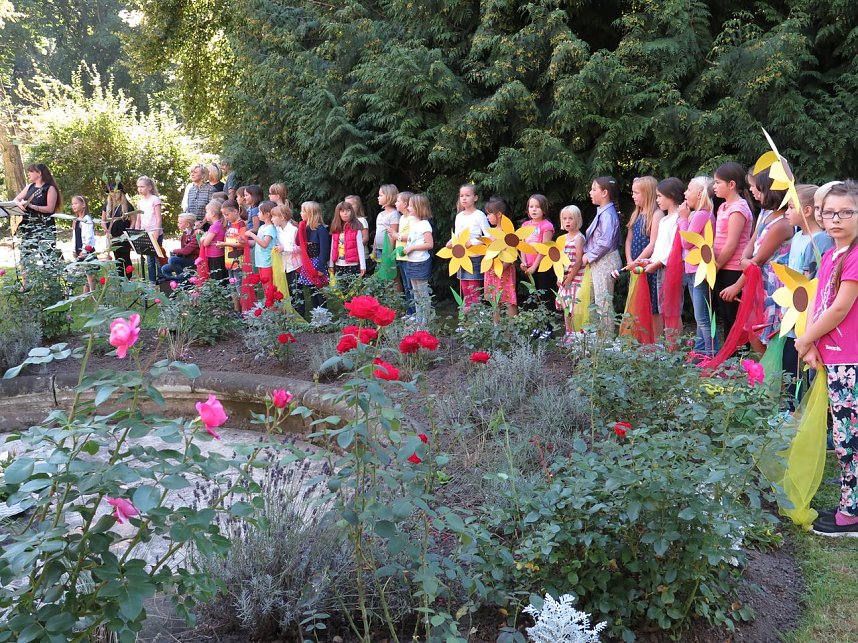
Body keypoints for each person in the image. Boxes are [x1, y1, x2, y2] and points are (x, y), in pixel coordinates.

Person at [794, 180, 858, 537]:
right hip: (832, 356)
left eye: (846, 212)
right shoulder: (832, 254)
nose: (836, 219)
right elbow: (818, 302)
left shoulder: (855, 255)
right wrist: (811, 344)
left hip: (852, 359)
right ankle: (851, 499)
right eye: (829, 212)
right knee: (844, 435)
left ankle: (852, 513)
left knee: (850, 437)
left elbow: (839, 309)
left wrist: (805, 339)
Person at [720, 166, 793, 346]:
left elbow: (758, 260)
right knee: (752, 328)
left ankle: (772, 370)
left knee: (767, 331)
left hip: (772, 284)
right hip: (757, 278)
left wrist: (736, 286)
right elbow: (751, 243)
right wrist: (745, 259)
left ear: (769, 189)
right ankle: (763, 370)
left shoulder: (782, 224)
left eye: (755, 186)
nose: (751, 190)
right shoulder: (765, 213)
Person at [712, 162, 754, 339]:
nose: (713, 187)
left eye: (717, 183)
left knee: (734, 316)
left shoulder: (738, 208)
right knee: (725, 315)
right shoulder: (723, 206)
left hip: (733, 269)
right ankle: (729, 359)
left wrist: (716, 265)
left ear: (731, 185)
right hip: (722, 266)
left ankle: (738, 360)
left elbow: (732, 244)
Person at [678, 176, 717, 357]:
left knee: (703, 318)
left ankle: (710, 356)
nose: (685, 193)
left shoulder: (701, 214)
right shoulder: (702, 214)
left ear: (699, 194)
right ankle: (701, 354)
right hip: (696, 270)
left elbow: (686, 241)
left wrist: (682, 219)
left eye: (688, 189)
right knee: (700, 317)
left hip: (699, 271)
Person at [643, 177, 685, 341]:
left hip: (671, 269)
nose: (657, 200)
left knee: (672, 309)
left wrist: (659, 263)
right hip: (660, 267)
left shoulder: (678, 219)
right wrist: (651, 260)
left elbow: (675, 247)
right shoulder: (665, 219)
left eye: (660, 196)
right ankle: (669, 347)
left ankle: (674, 350)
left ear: (672, 196)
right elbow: (661, 246)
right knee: (663, 308)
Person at [583, 176, 622, 334]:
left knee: (603, 301)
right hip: (599, 260)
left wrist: (588, 256)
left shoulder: (608, 215)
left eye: (594, 189)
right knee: (594, 299)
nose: (590, 192)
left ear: (604, 193)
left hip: (605, 260)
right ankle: (597, 335)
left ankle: (605, 341)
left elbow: (605, 242)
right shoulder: (603, 212)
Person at [624, 176, 662, 324]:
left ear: (647, 193)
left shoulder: (656, 215)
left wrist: (637, 262)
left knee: (651, 304)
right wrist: (629, 261)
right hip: (635, 266)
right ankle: (638, 338)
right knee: (635, 301)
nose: (633, 196)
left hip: (647, 267)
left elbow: (652, 244)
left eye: (636, 193)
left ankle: (655, 341)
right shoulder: (636, 214)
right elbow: (628, 240)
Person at [448, 183, 490, 308]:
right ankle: (468, 321)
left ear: (475, 198)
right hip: (460, 257)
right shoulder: (459, 216)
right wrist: (452, 242)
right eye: (461, 196)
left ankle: (477, 320)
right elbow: (457, 234)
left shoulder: (479, 215)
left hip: (474, 257)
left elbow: (488, 236)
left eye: (467, 195)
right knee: (465, 289)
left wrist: (472, 242)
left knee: (474, 290)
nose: (464, 198)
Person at [13, 163, 62, 259]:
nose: (28, 174)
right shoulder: (30, 186)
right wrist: (20, 204)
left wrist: (31, 205)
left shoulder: (50, 188)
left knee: (47, 257)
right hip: (28, 226)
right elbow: (16, 200)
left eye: (31, 171)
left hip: (45, 226)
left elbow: (50, 208)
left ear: (39, 173)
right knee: (26, 257)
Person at [519, 194, 555, 321]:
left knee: (544, 297)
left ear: (544, 210)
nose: (534, 209)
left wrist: (535, 266)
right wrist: (523, 262)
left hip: (542, 268)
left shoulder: (546, 226)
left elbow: (544, 249)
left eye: (537, 207)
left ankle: (547, 327)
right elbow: (522, 245)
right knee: (532, 296)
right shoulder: (525, 225)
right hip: (529, 268)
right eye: (531, 206)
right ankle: (536, 325)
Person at [483, 197, 517, 320]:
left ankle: (513, 329)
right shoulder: (491, 232)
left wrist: (501, 268)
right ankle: (496, 326)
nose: (487, 217)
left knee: (509, 299)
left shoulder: (508, 232)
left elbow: (512, 255)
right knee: (494, 299)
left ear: (498, 214)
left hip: (504, 270)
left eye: (489, 214)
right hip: (492, 270)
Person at [402, 194, 434, 326]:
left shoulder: (424, 224)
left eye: (410, 205)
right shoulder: (413, 222)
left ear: (418, 207)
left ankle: (426, 321)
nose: (408, 207)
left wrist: (412, 248)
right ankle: (419, 318)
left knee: (422, 292)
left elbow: (429, 244)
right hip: (412, 261)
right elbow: (411, 239)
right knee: (415, 292)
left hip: (421, 262)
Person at [296, 200, 330, 315]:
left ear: (310, 213)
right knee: (311, 291)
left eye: (303, 211)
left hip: (317, 263)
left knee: (320, 292)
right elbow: (298, 242)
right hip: (309, 263)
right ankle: (316, 316)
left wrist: (321, 268)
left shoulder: (321, 229)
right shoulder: (305, 229)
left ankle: (324, 317)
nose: (300, 213)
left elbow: (324, 250)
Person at [555, 205, 585, 339]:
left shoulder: (579, 238)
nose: (567, 221)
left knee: (574, 307)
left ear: (577, 219)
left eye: (571, 218)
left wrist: (570, 277)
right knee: (566, 306)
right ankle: (568, 333)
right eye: (564, 218)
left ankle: (575, 334)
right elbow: (558, 260)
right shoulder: (562, 238)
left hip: (576, 277)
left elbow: (579, 261)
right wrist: (559, 276)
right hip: (564, 277)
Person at [217, 199, 248, 311]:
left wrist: (224, 244)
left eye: (227, 214)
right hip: (229, 262)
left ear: (235, 211)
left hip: (238, 261)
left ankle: (245, 311)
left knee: (240, 287)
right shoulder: (230, 225)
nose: (225, 217)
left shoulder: (241, 224)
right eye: (224, 215)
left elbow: (242, 243)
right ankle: (236, 310)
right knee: (232, 288)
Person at [101, 181, 135, 278]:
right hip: (113, 236)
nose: (114, 194)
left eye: (116, 192)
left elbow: (133, 220)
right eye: (112, 192)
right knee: (117, 258)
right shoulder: (107, 205)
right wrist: (106, 231)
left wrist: (129, 231)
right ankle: (120, 279)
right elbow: (103, 221)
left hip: (124, 236)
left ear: (121, 192)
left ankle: (129, 279)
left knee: (126, 257)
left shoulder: (127, 205)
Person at [271, 203, 302, 310]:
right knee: (288, 290)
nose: (272, 219)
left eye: (274, 216)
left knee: (296, 292)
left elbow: (300, 248)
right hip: (284, 265)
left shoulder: (293, 230)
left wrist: (284, 248)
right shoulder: (278, 229)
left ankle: (300, 313)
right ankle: (290, 315)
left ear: (282, 217)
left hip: (294, 266)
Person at [134, 176, 163, 285]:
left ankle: (162, 277)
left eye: (142, 186)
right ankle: (151, 280)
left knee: (158, 257)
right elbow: (138, 219)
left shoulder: (155, 199)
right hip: (145, 234)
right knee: (149, 259)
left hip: (155, 233)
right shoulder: (140, 202)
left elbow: (158, 218)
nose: (140, 189)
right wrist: (136, 234)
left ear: (149, 187)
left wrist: (156, 232)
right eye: (138, 187)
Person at [329, 201, 366, 276]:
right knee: (340, 287)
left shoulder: (355, 228)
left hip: (352, 265)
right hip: (338, 265)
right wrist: (331, 264)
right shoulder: (336, 229)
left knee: (353, 287)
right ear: (338, 213)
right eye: (342, 211)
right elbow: (333, 247)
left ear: (351, 211)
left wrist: (363, 266)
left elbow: (360, 247)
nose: (345, 213)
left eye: (348, 210)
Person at [246, 200, 277, 287]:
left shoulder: (270, 228)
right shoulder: (262, 227)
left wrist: (251, 234)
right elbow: (258, 242)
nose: (258, 214)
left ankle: (271, 300)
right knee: (265, 286)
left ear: (267, 214)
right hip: (261, 261)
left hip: (267, 262)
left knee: (269, 286)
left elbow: (264, 244)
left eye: (260, 212)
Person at [161, 213, 200, 282]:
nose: (178, 224)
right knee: (164, 268)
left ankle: (183, 281)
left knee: (172, 260)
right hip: (186, 259)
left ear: (187, 225)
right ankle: (176, 284)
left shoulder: (195, 234)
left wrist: (174, 251)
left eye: (180, 223)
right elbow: (183, 251)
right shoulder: (184, 234)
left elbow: (186, 251)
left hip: (194, 261)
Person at [71, 195, 97, 293]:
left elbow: (89, 236)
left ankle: (93, 293)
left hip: (87, 250)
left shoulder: (87, 219)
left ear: (83, 205)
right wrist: (74, 250)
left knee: (90, 273)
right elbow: (75, 236)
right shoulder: (76, 220)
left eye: (76, 203)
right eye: (72, 204)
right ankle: (85, 294)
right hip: (79, 249)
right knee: (84, 273)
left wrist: (85, 250)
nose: (73, 206)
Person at [395, 191, 415, 312]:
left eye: (398, 201)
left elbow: (412, 236)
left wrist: (396, 236)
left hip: (409, 256)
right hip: (401, 256)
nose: (395, 203)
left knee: (410, 285)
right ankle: (409, 311)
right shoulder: (402, 217)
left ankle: (414, 311)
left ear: (406, 204)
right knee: (406, 285)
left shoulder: (412, 218)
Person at [374, 183, 400, 271]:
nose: (378, 197)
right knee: (382, 275)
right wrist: (374, 248)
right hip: (379, 249)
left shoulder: (394, 214)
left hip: (387, 250)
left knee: (392, 276)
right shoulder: (380, 214)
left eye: (381, 195)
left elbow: (393, 234)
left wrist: (389, 253)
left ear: (389, 197)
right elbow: (377, 231)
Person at [200, 200, 227, 282]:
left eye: (207, 212)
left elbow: (205, 243)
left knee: (216, 277)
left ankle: (219, 294)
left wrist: (202, 238)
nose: (206, 215)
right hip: (218, 255)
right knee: (221, 276)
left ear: (213, 214)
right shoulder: (220, 224)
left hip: (214, 256)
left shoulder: (215, 226)